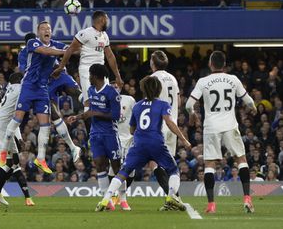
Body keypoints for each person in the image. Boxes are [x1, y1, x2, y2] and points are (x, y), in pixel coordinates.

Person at [95, 76, 190, 212]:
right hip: (156, 142)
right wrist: (184, 139)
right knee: (173, 169)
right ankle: (171, 196)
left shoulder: (138, 106)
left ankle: (106, 198)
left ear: (143, 90)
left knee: (123, 172)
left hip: (139, 143)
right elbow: (169, 122)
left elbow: (132, 130)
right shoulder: (163, 104)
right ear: (158, 89)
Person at [186, 51, 257, 213]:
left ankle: (211, 204)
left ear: (210, 64)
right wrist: (253, 109)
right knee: (241, 159)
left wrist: (193, 114)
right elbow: (249, 101)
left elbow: (189, 104)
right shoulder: (233, 79)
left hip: (211, 127)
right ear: (224, 65)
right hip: (230, 125)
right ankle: (247, 199)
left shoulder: (203, 81)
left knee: (209, 165)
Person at [0, 21, 66, 175]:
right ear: (38, 32)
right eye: (43, 28)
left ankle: (40, 159)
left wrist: (75, 48)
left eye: (49, 28)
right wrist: (64, 52)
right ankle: (3, 153)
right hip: (28, 86)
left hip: (42, 88)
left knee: (45, 124)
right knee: (17, 119)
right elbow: (46, 51)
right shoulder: (32, 42)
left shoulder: (56, 44)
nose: (46, 30)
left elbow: (69, 49)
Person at [18, 32, 82, 163]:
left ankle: (88, 107)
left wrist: (72, 51)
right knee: (54, 115)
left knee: (75, 91)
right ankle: (73, 147)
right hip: (44, 83)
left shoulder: (50, 43)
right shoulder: (24, 54)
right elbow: (25, 71)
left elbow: (69, 49)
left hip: (58, 73)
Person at [67, 64, 121, 211]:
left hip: (110, 133)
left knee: (116, 166)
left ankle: (122, 198)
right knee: (99, 164)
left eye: (90, 75)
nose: (88, 77)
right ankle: (106, 200)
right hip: (95, 134)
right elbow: (90, 111)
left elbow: (116, 116)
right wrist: (77, 117)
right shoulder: (91, 90)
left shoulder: (112, 93)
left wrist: (97, 114)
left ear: (96, 76)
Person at [0, 73, 34, 207]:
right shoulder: (18, 89)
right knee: (7, 161)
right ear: (19, 81)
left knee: (15, 161)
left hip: (6, 127)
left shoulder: (11, 88)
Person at [52, 10, 123, 112]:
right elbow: (70, 50)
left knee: (105, 100)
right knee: (89, 102)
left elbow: (110, 56)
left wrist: (118, 76)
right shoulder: (85, 33)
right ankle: (90, 126)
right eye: (107, 19)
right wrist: (61, 67)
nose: (108, 22)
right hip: (87, 69)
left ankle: (104, 126)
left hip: (101, 70)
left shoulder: (104, 36)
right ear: (102, 20)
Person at [149, 50, 182, 207]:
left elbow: (150, 104)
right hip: (172, 124)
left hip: (159, 126)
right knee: (169, 164)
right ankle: (174, 198)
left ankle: (173, 197)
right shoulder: (173, 79)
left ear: (153, 63)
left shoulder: (153, 79)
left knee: (154, 163)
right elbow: (179, 102)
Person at [107, 83, 135, 211]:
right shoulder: (106, 99)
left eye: (116, 86)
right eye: (112, 86)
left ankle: (119, 196)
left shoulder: (129, 100)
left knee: (131, 171)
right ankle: (119, 199)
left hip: (129, 139)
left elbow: (136, 117)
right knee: (116, 169)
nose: (115, 88)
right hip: (113, 138)